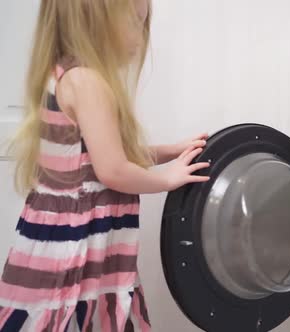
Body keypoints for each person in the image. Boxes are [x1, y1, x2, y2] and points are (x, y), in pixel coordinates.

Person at [0, 1, 209, 330]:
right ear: (95, 20)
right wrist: (168, 180)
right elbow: (112, 170)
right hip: (79, 254)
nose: (141, 38)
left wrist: (170, 152)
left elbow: (95, 158)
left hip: (55, 249)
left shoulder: (62, 74)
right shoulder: (88, 83)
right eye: (134, 22)